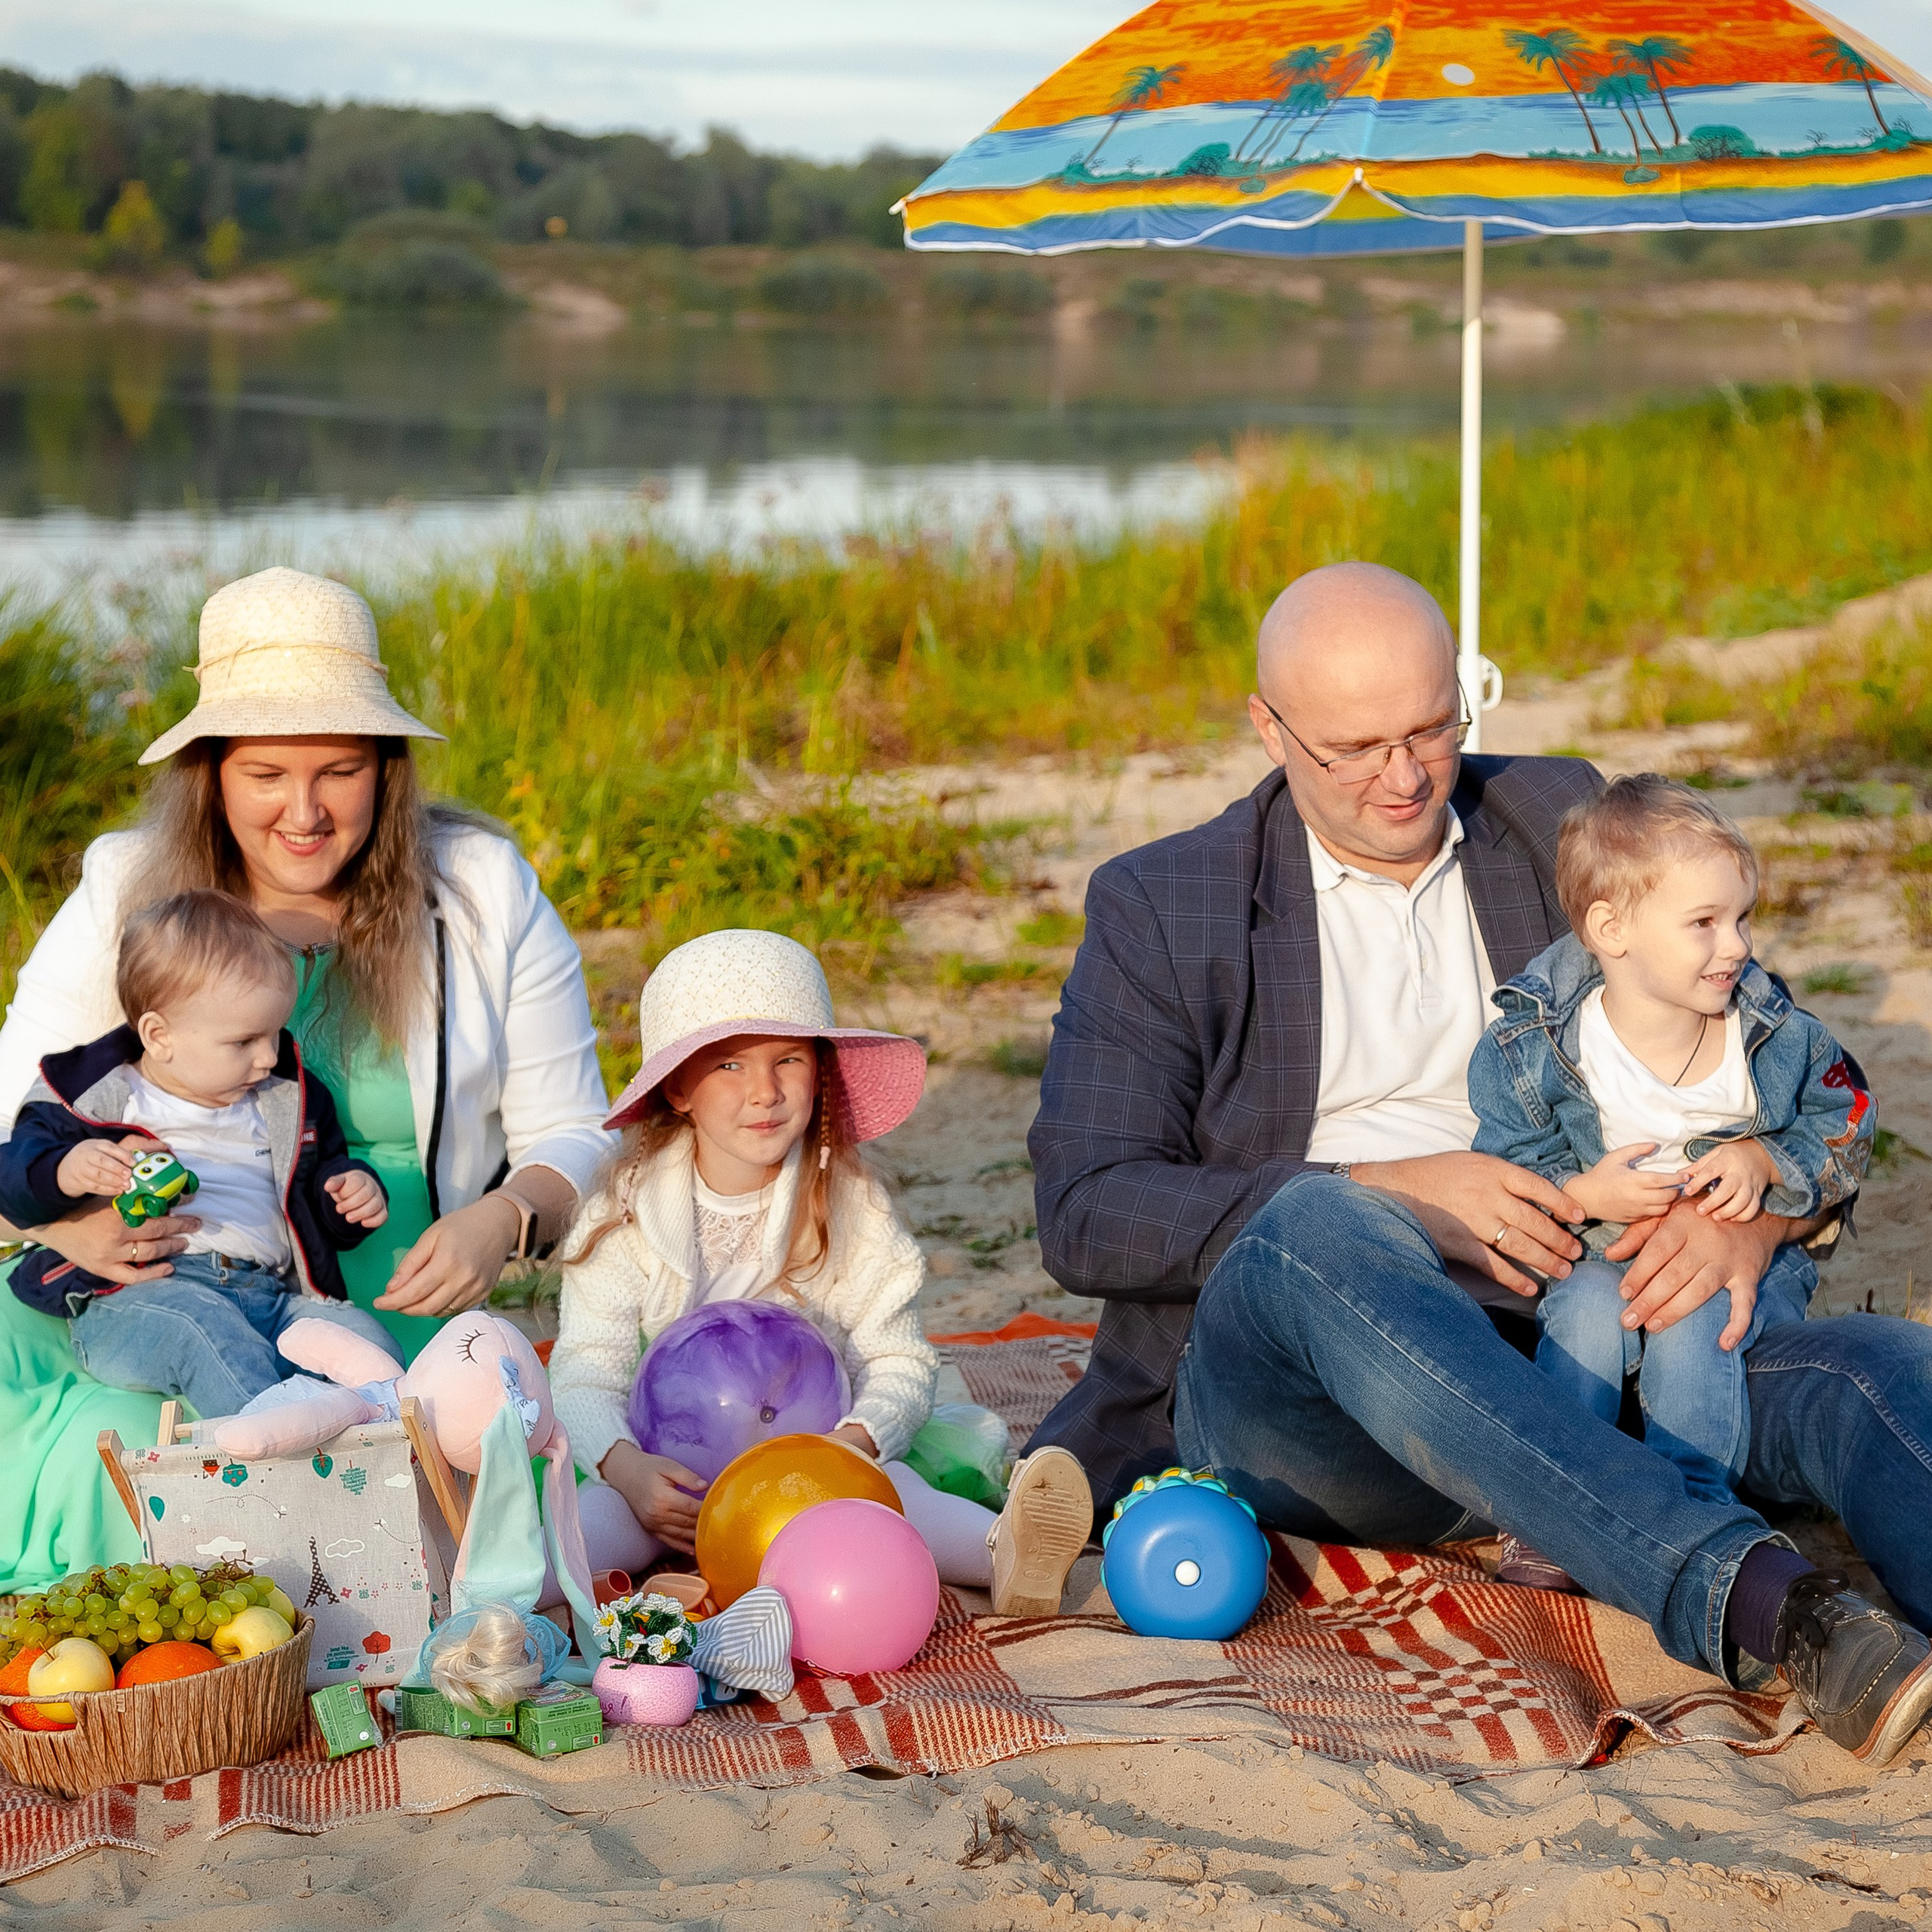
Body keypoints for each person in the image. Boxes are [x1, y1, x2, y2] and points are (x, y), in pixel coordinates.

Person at [1027, 559, 1932, 1764]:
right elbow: (1086, 1209)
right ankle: (1763, 1601)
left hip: (1603, 1346)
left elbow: (1801, 1071)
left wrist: (1754, 1217)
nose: (1405, 776)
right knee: (1315, 1228)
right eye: (1354, 750)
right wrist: (1394, 1191)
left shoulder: (1558, 818)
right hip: (1321, 1408)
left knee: (1877, 1372)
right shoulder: (1164, 902)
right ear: (1269, 729)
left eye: (1430, 728)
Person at [0, 565, 612, 1592]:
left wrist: (502, 1218)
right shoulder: (126, 888)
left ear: (386, 769)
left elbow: (579, 1132)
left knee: (420, 1467)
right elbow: (13, 1119)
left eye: (339, 770)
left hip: (382, 1294)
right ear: (210, 773)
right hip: (164, 1279)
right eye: (265, 774)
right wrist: (70, 1231)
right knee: (124, 1451)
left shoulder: (482, 891)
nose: (304, 811)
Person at [549, 928, 1093, 1617]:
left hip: (814, 1474)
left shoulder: (849, 1206)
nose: (765, 1092)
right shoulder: (623, 1213)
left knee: (898, 1499)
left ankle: (1007, 1554)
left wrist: (853, 1446)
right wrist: (629, 1471)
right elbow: (584, 1374)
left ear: (820, 1070)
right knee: (587, 1526)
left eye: (789, 1059)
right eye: (729, 1065)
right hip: (671, 1481)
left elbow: (899, 1360)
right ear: (678, 1088)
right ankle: (499, 1594)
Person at [1468, 776, 1873, 1590]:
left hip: (1734, 1262)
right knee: (1583, 1316)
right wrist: (1583, 1195)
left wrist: (1768, 1163)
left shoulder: (1769, 1034)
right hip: (1596, 1253)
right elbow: (1507, 1165)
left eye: (1742, 918)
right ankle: (1556, 1509)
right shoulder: (1537, 1045)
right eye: (1704, 923)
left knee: (1698, 1324)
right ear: (1610, 930)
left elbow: (1849, 1116)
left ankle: (1692, 1509)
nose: (1736, 946)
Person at [0, 889, 401, 1415]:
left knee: (362, 1342)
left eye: (275, 1033)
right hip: (143, 1296)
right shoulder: (94, 1096)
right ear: (159, 1036)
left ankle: (391, 1441)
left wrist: (347, 1196)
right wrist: (63, 1172)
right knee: (204, 1332)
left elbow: (317, 1194)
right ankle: (276, 1449)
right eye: (244, 1042)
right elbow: (12, 1179)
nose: (269, 1057)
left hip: (271, 1295)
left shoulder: (290, 1099)